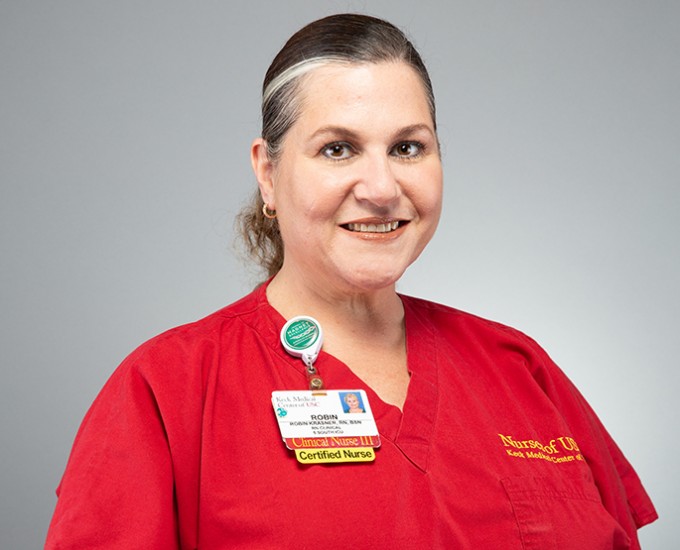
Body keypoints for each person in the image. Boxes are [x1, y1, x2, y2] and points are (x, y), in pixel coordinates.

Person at [46, 13, 657, 549]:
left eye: (408, 148)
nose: (382, 187)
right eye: (338, 149)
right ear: (268, 172)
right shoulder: (165, 392)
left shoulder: (520, 367)